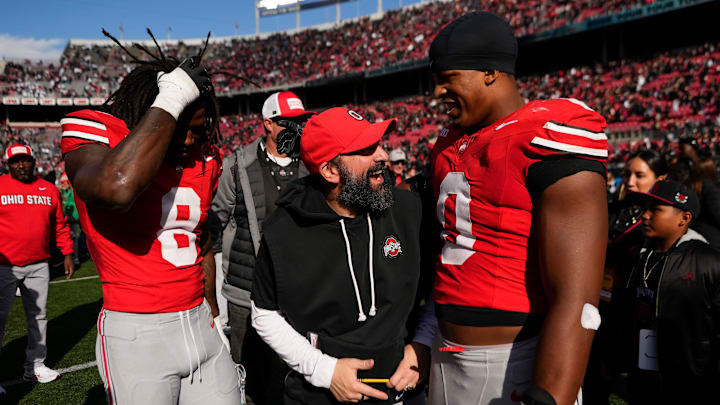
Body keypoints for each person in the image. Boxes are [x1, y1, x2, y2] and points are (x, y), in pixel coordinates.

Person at [427, 11, 608, 405]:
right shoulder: (449, 142)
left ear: (490, 73)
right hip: (445, 353)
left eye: (448, 79)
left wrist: (551, 393)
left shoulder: (546, 135)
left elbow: (576, 296)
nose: (437, 94)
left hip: (513, 358)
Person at [60, 33, 241, 404]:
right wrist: (172, 97)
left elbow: (199, 241)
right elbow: (115, 188)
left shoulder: (207, 158)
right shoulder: (98, 133)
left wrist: (214, 316)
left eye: (199, 131)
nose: (193, 142)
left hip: (200, 324)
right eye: (183, 129)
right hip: (138, 333)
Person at [251, 107, 425, 405]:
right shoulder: (284, 230)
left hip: (403, 389)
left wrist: (423, 344)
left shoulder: (407, 208)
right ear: (330, 170)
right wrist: (324, 370)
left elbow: (443, 285)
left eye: (379, 144)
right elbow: (264, 313)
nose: (383, 155)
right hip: (318, 395)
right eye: (366, 149)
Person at [210, 90, 314, 404]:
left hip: (300, 291)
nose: (296, 129)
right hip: (247, 290)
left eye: (300, 122)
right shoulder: (236, 165)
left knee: (302, 372)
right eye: (288, 123)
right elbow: (217, 220)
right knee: (252, 375)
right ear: (267, 124)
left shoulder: (312, 163)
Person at [622, 180, 720, 404]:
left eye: (655, 209)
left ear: (684, 218)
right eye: (645, 208)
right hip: (642, 378)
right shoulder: (638, 256)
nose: (645, 216)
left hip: (693, 381)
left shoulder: (708, 262)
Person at [0, 144, 74, 394]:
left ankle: (35, 366)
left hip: (39, 264)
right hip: (4, 266)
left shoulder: (49, 189)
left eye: (25, 160)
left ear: (34, 162)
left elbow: (60, 224)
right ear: (7, 164)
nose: (21, 165)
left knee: (38, 318)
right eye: (15, 161)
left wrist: (67, 252)